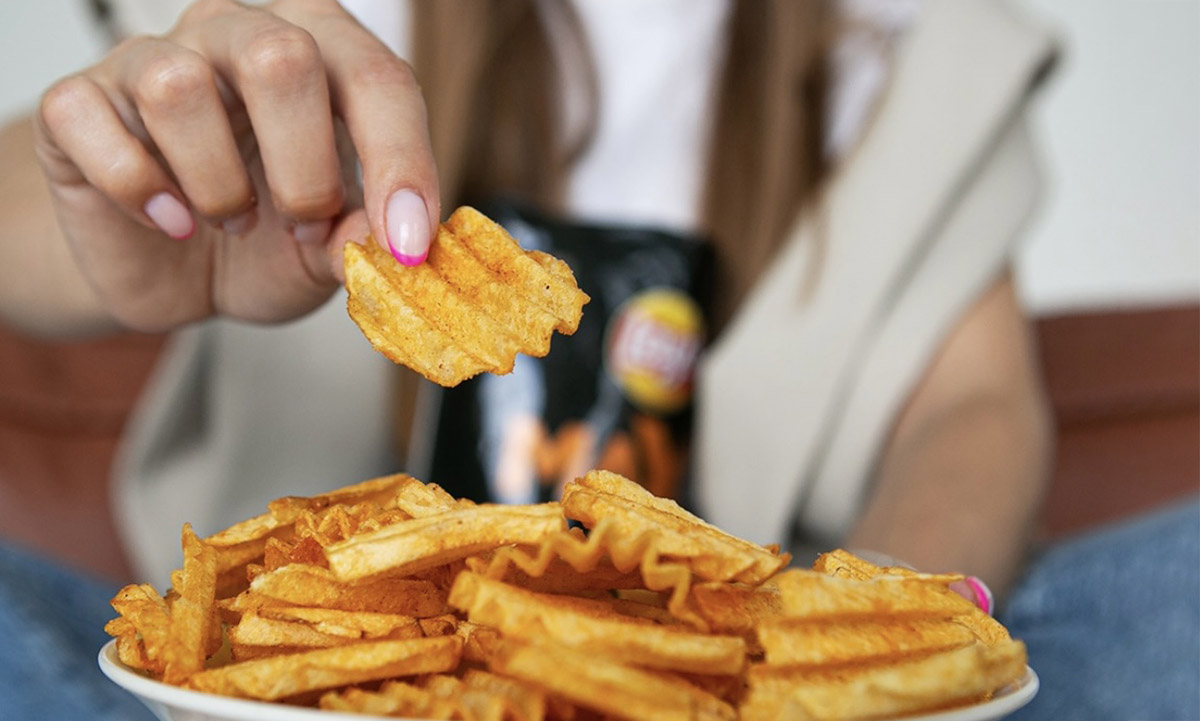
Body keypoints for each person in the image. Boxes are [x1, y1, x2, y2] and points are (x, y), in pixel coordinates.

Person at [1, 1, 1193, 720]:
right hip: (279, 688)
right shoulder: (301, 20)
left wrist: (857, 642)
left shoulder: (897, 48)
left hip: (727, 680)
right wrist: (113, 203)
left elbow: (972, 407)